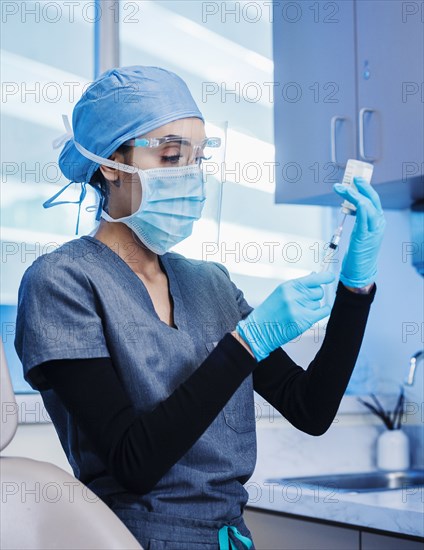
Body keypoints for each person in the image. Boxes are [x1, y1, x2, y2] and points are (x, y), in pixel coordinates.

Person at [14, 66, 385, 550]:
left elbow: (309, 409)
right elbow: (134, 463)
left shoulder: (210, 284)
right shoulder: (61, 282)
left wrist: (355, 291)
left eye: (199, 158)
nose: (191, 176)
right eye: (171, 156)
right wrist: (245, 343)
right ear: (109, 163)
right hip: (129, 538)